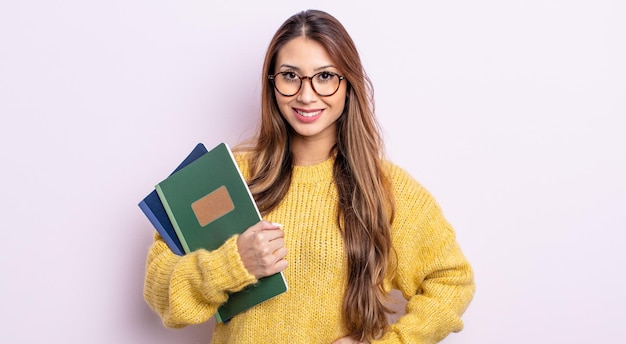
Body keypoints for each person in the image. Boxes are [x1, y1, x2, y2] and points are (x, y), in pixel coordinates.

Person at [143, 9, 475, 344]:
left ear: (349, 84)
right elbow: (161, 294)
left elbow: (452, 280)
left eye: (325, 76)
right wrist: (233, 263)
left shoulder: (385, 189)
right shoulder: (226, 178)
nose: (306, 94)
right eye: (290, 76)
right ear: (271, 84)